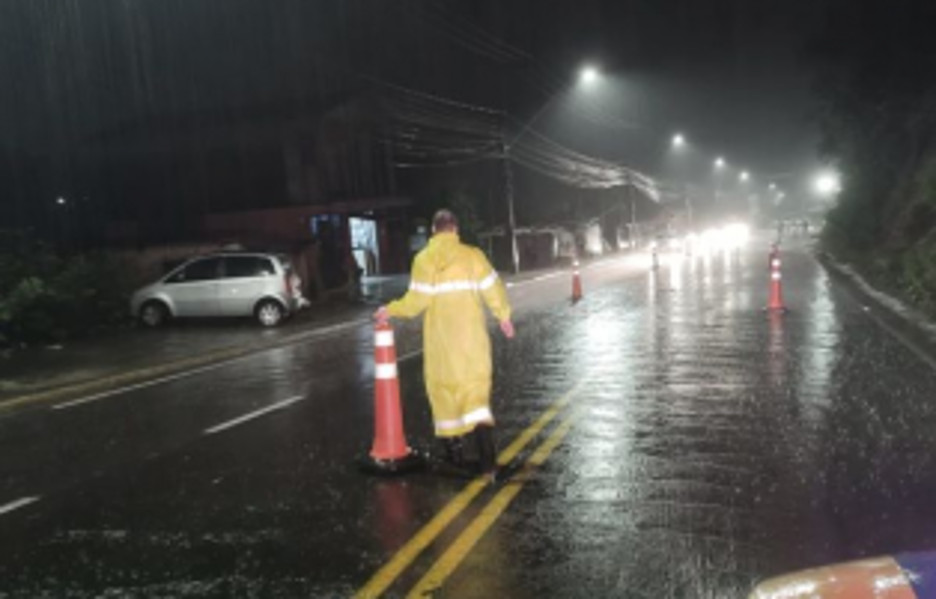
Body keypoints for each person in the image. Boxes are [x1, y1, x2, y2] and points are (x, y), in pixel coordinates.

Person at [374, 209, 514, 481]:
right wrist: (504, 317)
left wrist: (389, 310)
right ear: (456, 230)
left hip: (442, 348)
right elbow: (493, 289)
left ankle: (455, 460)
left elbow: (416, 303)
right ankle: (488, 464)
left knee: (445, 402)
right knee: (476, 402)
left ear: (432, 232)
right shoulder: (473, 256)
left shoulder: (424, 259)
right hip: (472, 346)